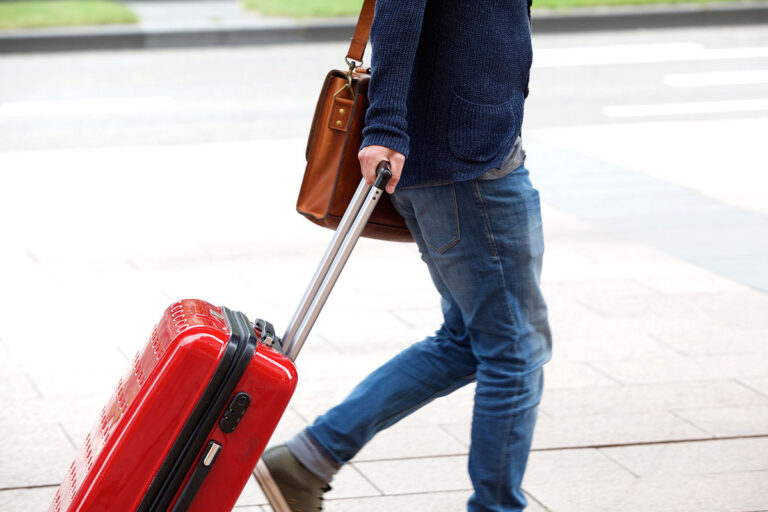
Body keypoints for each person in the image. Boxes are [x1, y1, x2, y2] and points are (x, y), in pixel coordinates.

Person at [255, 0, 552, 510]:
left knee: (465, 341)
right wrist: (386, 127)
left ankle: (304, 462)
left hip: (457, 147)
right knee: (514, 351)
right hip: (467, 159)